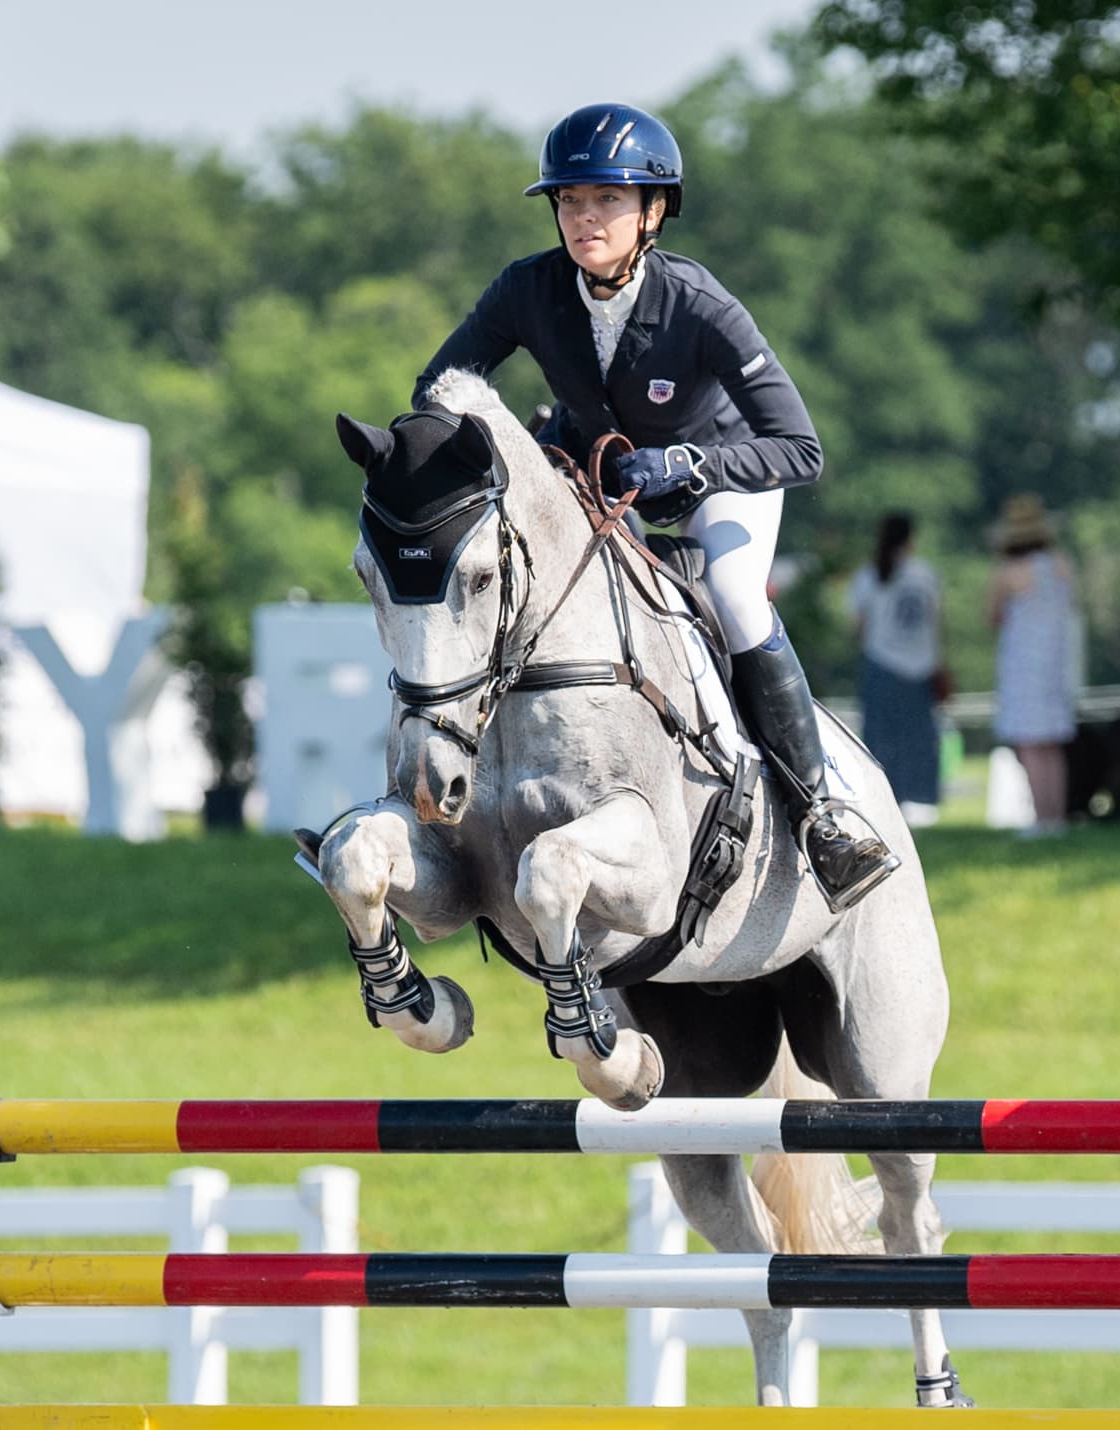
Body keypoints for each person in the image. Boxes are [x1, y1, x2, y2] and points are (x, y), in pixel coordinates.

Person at [413, 103, 895, 912]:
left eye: (607, 199)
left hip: (724, 474)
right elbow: (439, 390)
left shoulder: (699, 304)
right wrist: (507, 447)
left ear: (653, 210)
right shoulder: (527, 288)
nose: (583, 217)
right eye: (570, 200)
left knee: (734, 599)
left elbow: (799, 448)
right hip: (604, 478)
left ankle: (820, 815)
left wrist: (693, 462)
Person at [986, 495, 1079, 834]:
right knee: (1052, 746)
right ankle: (1056, 816)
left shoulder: (1008, 573)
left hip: (1024, 666)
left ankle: (1042, 819)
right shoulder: (1060, 564)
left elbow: (992, 616)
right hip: (1057, 663)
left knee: (1030, 745)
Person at [849, 513, 944, 819]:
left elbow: (859, 626)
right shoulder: (924, 573)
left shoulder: (870, 574)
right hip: (921, 664)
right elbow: (937, 621)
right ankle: (920, 799)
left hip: (881, 662)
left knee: (881, 738)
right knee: (919, 738)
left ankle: (886, 800)